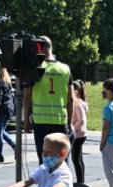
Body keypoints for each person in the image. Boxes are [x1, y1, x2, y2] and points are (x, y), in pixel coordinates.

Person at [23, 36, 74, 165]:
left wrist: (26, 119)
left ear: (39, 47)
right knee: (62, 161)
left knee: (44, 161)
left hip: (40, 122)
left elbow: (27, 96)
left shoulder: (35, 67)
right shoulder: (65, 69)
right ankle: (62, 184)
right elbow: (71, 98)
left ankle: (46, 184)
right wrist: (70, 122)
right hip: (60, 121)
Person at [71, 80, 88, 183]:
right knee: (79, 159)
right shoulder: (76, 102)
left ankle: (80, 183)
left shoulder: (78, 103)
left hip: (78, 135)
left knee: (76, 160)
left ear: (76, 91)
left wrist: (72, 129)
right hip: (79, 134)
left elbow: (81, 120)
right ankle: (81, 181)